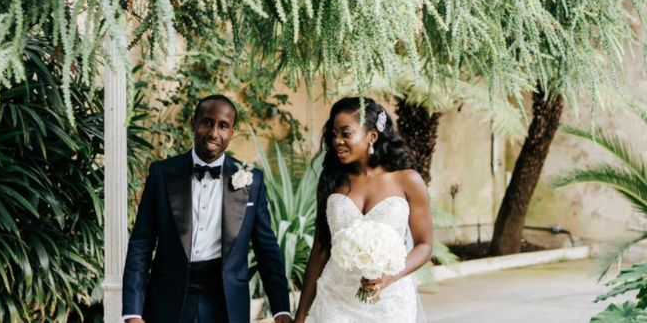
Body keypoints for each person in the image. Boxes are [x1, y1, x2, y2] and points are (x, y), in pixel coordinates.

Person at [122, 94, 293, 323]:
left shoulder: (252, 181)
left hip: (226, 303)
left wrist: (281, 309)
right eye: (207, 122)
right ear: (194, 124)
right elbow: (141, 243)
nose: (214, 133)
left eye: (223, 126)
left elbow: (267, 249)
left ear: (232, 132)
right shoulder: (161, 174)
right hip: (169, 300)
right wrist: (132, 311)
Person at [294, 97, 433, 323]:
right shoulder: (332, 180)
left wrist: (388, 277)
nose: (337, 141)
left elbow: (425, 245)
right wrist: (300, 316)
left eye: (345, 133)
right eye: (334, 134)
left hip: (389, 302)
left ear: (372, 136)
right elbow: (320, 248)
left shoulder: (408, 180)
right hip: (335, 298)